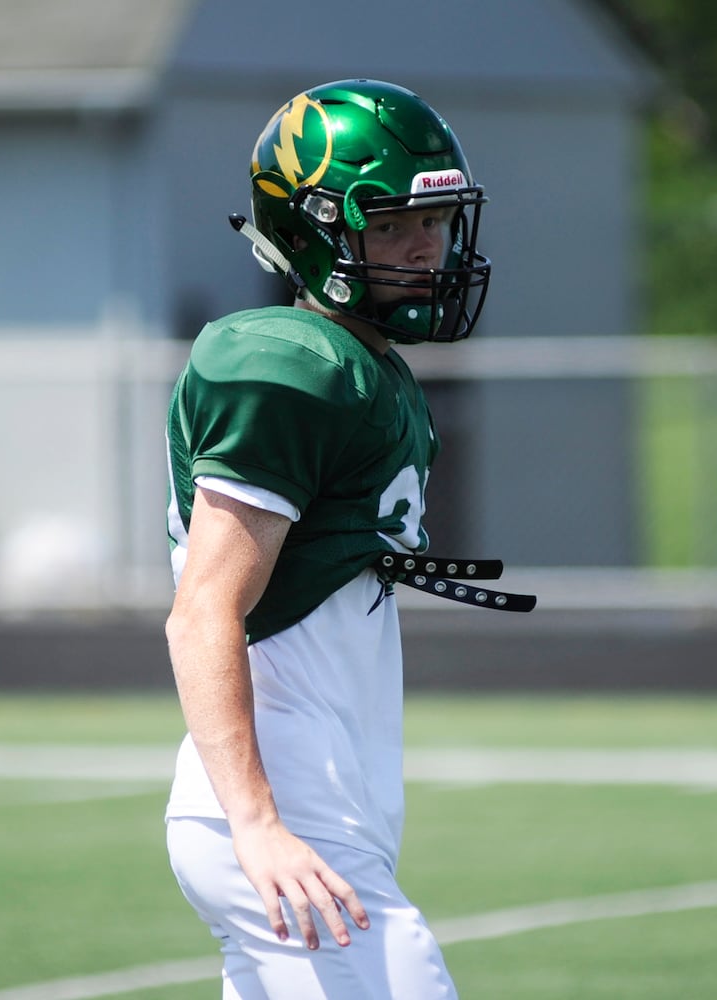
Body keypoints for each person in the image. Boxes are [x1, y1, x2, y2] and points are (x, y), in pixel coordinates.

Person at [164, 78, 493, 999]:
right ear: (314, 234)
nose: (425, 249)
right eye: (389, 226)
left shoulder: (369, 372)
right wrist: (260, 824)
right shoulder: (288, 367)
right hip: (284, 813)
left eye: (433, 222)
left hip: (323, 803)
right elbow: (200, 616)